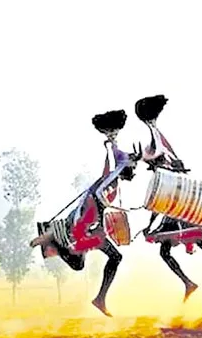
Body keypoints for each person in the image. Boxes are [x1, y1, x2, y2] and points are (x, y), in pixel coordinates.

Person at [29, 109, 141, 317]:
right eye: (132, 169)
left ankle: (99, 298)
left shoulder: (112, 178)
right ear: (125, 169)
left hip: (90, 224)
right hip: (87, 224)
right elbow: (106, 182)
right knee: (113, 257)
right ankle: (99, 298)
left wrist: (112, 141)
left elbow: (115, 162)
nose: (134, 173)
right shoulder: (112, 179)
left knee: (81, 264)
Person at [134, 95, 202, 300]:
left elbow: (162, 198)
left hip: (179, 207)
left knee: (197, 242)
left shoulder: (162, 159)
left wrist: (149, 224)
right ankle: (191, 282)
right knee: (169, 251)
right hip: (174, 209)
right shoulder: (161, 158)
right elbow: (161, 201)